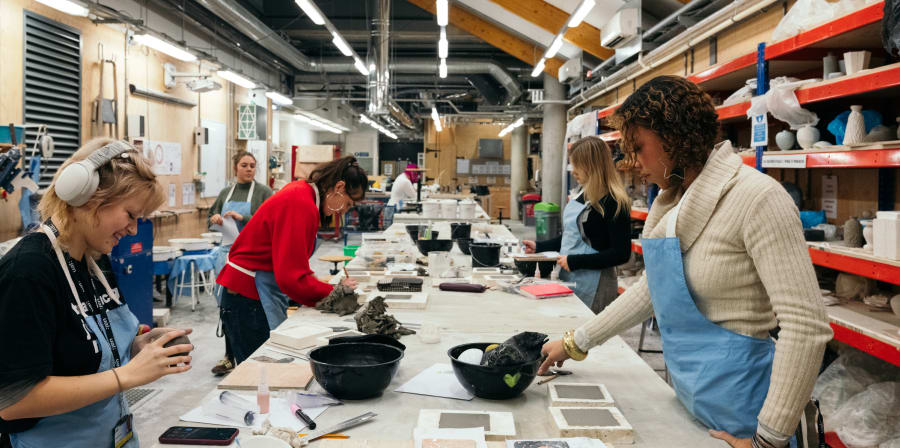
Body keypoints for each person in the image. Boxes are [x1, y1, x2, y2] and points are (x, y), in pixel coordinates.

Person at [538, 76, 832, 448]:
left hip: (751, 417)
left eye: (639, 147)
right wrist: (574, 342)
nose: (632, 162)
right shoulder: (673, 202)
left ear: (672, 137)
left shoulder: (757, 199)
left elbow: (806, 327)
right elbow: (652, 289)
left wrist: (768, 439)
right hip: (696, 403)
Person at [0, 139, 194, 448]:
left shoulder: (94, 259)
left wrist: (138, 347)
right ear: (88, 197)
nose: (133, 230)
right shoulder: (29, 271)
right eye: (130, 214)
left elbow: (83, 349)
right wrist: (126, 376)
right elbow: (14, 400)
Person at [216, 156, 367, 363]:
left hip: (259, 292)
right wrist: (335, 293)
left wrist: (319, 285)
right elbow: (290, 278)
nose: (344, 211)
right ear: (339, 187)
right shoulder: (300, 202)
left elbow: (291, 263)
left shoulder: (304, 194)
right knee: (260, 374)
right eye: (348, 204)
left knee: (268, 370)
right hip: (248, 298)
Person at [522, 136, 631, 313]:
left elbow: (621, 254)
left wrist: (575, 261)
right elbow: (571, 237)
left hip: (596, 284)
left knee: (588, 335)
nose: (573, 172)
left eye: (577, 165)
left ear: (591, 165)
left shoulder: (614, 201)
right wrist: (539, 247)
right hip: (571, 276)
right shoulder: (584, 195)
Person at [207, 151, 273, 376]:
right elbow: (210, 218)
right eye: (244, 165)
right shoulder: (226, 193)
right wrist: (215, 219)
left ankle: (253, 353)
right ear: (235, 167)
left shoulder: (264, 193)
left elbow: (271, 222)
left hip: (250, 257)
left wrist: (243, 218)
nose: (249, 169)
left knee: (249, 307)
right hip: (226, 254)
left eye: (253, 165)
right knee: (226, 307)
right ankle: (229, 356)